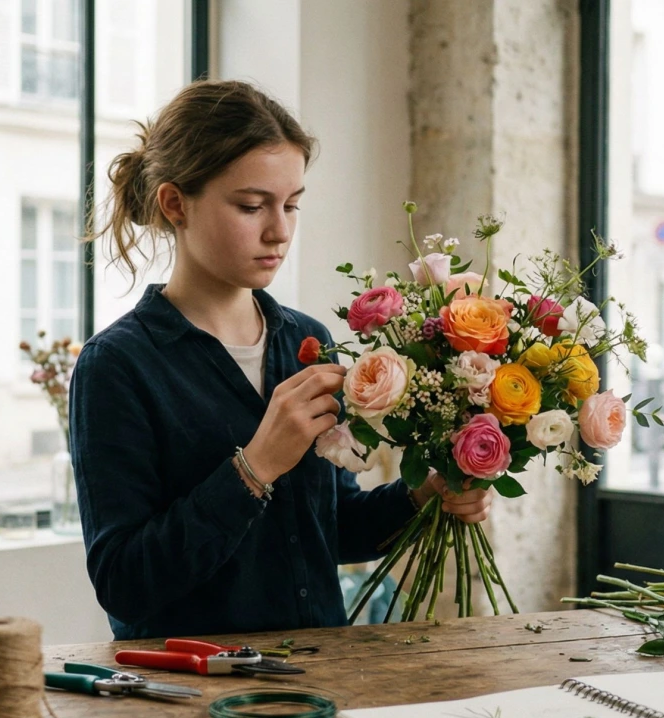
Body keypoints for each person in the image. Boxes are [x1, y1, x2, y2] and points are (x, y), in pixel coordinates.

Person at [71, 80, 492, 640]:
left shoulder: (307, 341)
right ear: (175, 203)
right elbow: (124, 582)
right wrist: (256, 466)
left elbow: (330, 530)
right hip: (194, 697)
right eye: (252, 206)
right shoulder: (117, 366)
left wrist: (425, 494)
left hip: (323, 678)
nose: (280, 230)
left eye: (292, 205)